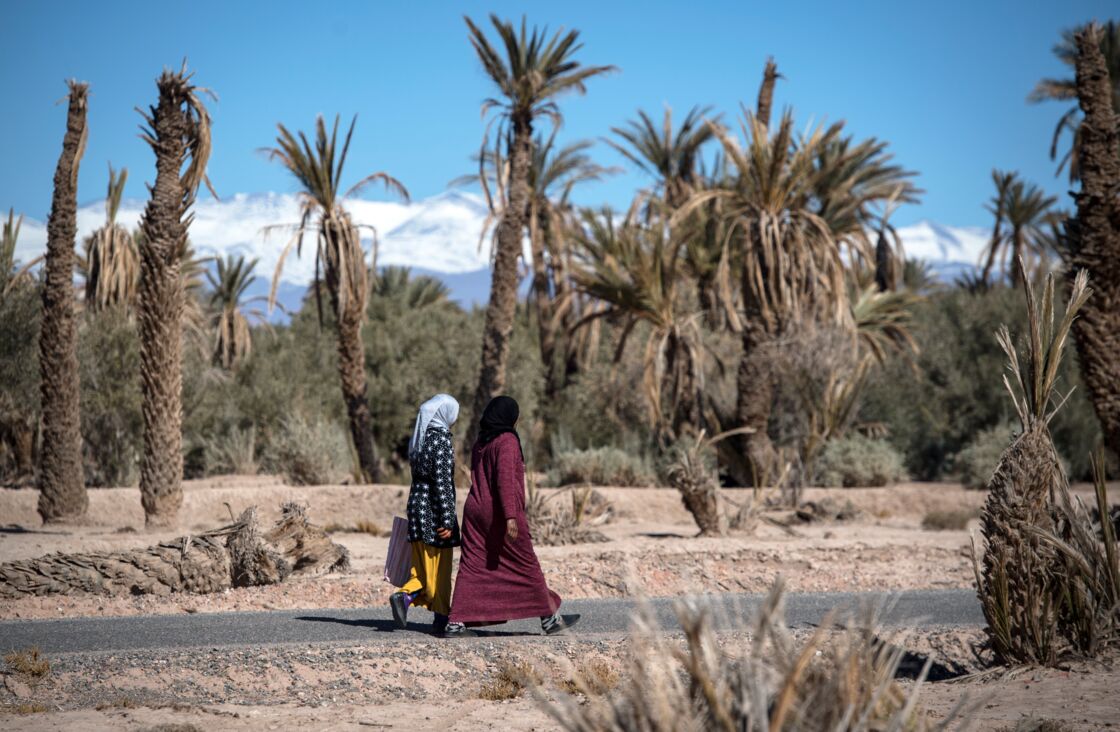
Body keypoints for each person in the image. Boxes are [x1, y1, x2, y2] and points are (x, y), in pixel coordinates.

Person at [443, 396, 577, 637]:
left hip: (474, 510)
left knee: (472, 565)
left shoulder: (482, 442)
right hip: (498, 512)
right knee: (526, 563)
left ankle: (456, 622)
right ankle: (549, 619)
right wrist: (511, 517)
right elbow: (505, 479)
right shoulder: (507, 441)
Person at [390, 393, 461, 633]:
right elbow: (442, 483)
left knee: (420, 566)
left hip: (416, 509)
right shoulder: (441, 442)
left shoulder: (419, 440)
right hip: (433, 512)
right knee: (438, 569)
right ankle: (411, 598)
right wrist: (447, 519)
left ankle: (431, 611)